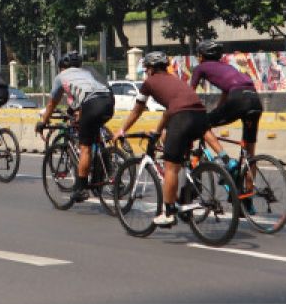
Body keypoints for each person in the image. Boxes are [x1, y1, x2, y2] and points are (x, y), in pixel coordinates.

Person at [115, 51, 210, 227]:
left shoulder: (149, 83)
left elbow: (137, 110)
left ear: (151, 69)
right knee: (180, 160)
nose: (146, 72)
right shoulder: (176, 80)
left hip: (182, 118)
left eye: (146, 69)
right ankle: (186, 193)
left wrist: (122, 130)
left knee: (170, 167)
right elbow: (169, 111)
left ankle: (168, 212)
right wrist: (158, 131)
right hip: (200, 117)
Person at [36, 52, 115, 203]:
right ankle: (102, 172)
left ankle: (81, 189)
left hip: (91, 104)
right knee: (96, 137)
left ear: (61, 68)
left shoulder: (61, 77)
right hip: (108, 101)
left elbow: (52, 103)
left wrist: (43, 122)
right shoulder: (86, 72)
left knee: (85, 148)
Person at [189, 40, 262, 164]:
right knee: (249, 155)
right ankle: (249, 183)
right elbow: (226, 92)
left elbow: (189, 93)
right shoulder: (228, 67)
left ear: (201, 56)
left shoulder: (200, 68)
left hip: (239, 99)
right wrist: (217, 110)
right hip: (255, 100)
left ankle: (226, 160)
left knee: (202, 125)